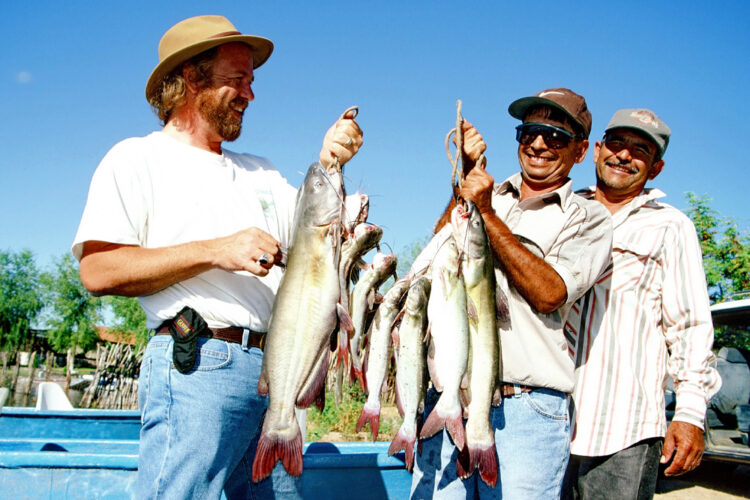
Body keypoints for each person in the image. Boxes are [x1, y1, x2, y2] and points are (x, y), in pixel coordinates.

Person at [72, 15, 363, 499]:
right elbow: (98, 270)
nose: (250, 93)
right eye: (237, 80)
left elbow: (318, 236)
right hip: (198, 368)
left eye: (251, 80)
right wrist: (216, 250)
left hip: (279, 372)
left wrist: (330, 161)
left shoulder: (262, 173)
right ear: (191, 77)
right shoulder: (135, 159)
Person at [410, 88, 613, 499]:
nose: (539, 144)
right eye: (530, 132)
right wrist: (464, 180)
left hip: (529, 410)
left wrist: (485, 213)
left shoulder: (590, 218)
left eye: (556, 136)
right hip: (451, 396)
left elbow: (550, 292)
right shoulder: (487, 191)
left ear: (580, 150)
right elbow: (438, 258)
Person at [563, 109, 722, 500]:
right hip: (545, 421)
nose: (624, 155)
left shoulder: (671, 225)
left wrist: (688, 414)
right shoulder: (564, 210)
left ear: (656, 168)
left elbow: (690, 327)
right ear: (596, 149)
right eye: (616, 144)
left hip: (626, 428)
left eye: (640, 150)